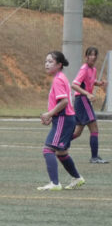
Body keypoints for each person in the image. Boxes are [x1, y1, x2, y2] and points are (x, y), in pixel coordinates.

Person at [38, 50, 85, 191]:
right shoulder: (61, 77)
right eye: (46, 61)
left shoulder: (58, 79)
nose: (47, 64)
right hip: (65, 119)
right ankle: (77, 178)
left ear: (59, 65)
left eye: (50, 62)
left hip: (63, 119)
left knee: (48, 149)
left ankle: (55, 183)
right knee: (61, 153)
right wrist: (51, 116)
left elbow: (64, 102)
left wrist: (49, 114)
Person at [70, 46, 108, 164]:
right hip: (82, 100)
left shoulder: (93, 69)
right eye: (90, 54)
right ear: (86, 57)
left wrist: (99, 83)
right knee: (94, 127)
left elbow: (91, 81)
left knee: (77, 132)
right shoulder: (84, 69)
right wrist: (87, 94)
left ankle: (58, 144)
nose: (93, 57)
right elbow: (74, 85)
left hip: (84, 101)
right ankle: (94, 157)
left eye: (95, 55)